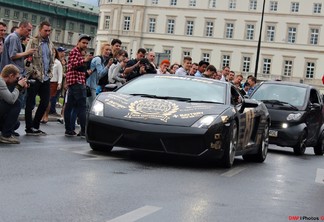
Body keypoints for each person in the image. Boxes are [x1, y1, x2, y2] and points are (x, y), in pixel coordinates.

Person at [24, 21, 54, 136]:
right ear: (40, 30)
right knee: (30, 103)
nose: (48, 33)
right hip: (35, 77)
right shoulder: (33, 42)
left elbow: (51, 60)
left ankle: (36, 125)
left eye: (49, 31)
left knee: (45, 102)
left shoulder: (50, 44)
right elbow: (27, 59)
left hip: (46, 77)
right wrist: (33, 72)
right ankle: (29, 127)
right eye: (45, 30)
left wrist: (50, 72)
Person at [64, 34, 93, 137]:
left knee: (70, 106)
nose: (85, 45)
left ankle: (69, 129)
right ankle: (83, 130)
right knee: (81, 107)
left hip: (76, 82)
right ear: (78, 42)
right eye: (83, 42)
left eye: (87, 43)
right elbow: (74, 64)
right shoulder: (74, 51)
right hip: (76, 82)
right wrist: (84, 60)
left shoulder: (80, 53)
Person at [0, 64, 28, 144]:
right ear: (11, 75)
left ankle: (7, 132)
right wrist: (19, 86)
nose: (16, 80)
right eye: (16, 78)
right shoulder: (1, 82)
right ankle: (6, 136)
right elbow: (11, 99)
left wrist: (21, 88)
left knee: (16, 124)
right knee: (16, 103)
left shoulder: (3, 82)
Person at [41, 48, 63, 123]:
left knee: (48, 99)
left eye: (54, 52)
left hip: (53, 82)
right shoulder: (46, 61)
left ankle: (46, 115)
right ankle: (42, 115)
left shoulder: (58, 63)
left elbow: (60, 74)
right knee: (43, 99)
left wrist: (59, 83)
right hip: (45, 80)